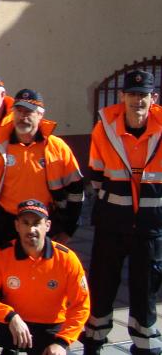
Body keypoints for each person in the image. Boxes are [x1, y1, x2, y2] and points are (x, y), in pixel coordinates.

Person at [80, 70, 162, 355]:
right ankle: (94, 343)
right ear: (122, 96)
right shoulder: (105, 127)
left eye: (143, 95)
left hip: (151, 228)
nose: (137, 101)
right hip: (111, 224)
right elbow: (97, 175)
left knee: (145, 291)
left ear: (154, 98)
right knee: (102, 287)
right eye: (132, 95)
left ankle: (146, 347)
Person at [0, 89, 84, 253]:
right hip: (5, 223)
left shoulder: (57, 148)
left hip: (42, 223)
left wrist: (68, 230)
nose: (23, 116)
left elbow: (76, 192)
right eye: (19, 111)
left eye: (29, 112)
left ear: (40, 115)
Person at [0, 200, 90, 355]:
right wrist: (10, 316)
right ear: (17, 226)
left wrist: (62, 342)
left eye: (36, 223)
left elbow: (81, 305)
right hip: (14, 323)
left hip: (50, 327)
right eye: (25, 223)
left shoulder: (67, 259)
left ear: (47, 226)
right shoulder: (2, 255)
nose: (31, 229)